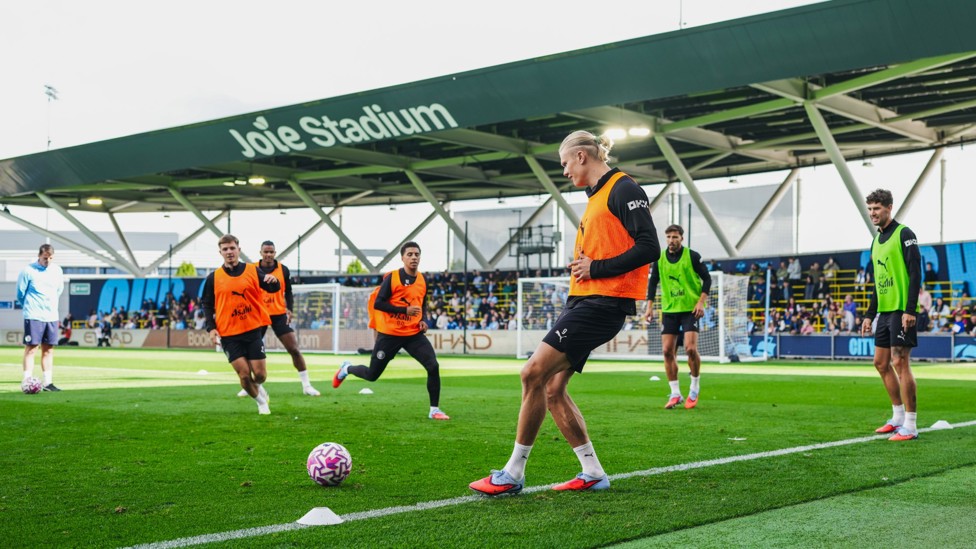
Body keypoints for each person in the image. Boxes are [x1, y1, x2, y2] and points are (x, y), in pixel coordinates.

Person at [469, 130, 659, 496]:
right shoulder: (598, 197)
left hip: (602, 302)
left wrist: (596, 269)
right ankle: (592, 472)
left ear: (582, 157)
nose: (564, 171)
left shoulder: (624, 188)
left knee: (532, 373)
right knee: (553, 389)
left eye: (565, 163)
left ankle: (512, 474)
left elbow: (649, 246)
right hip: (587, 301)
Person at [332, 241, 450, 420]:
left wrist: (423, 320)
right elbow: (379, 303)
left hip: (412, 334)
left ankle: (434, 410)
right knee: (372, 375)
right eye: (409, 254)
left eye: (416, 254)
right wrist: (404, 311)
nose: (413, 257)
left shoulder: (423, 280)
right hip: (390, 335)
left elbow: (422, 303)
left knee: (433, 366)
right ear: (402, 258)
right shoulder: (392, 278)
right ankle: (346, 369)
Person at [860, 189, 921, 442]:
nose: (873, 213)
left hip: (900, 309)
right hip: (884, 311)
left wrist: (910, 309)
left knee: (900, 362)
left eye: (877, 208)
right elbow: (878, 282)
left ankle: (910, 424)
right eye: (870, 208)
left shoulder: (904, 233)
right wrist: (868, 315)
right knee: (880, 363)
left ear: (889, 208)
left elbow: (915, 273)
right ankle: (896, 417)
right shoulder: (876, 242)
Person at [202, 234, 280, 415]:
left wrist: (273, 282)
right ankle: (261, 403)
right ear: (220, 252)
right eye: (225, 249)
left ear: (239, 249)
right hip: (228, 334)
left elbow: (271, 288)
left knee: (260, 375)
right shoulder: (213, 278)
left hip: (253, 329)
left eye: (232, 248)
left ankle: (258, 387)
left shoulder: (253, 270)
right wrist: (211, 328)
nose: (229, 252)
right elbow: (206, 304)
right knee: (244, 375)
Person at [235, 240, 320, 397]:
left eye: (271, 252)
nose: (268, 255)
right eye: (265, 252)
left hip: (279, 314)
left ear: (275, 253)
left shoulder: (283, 270)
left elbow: (288, 291)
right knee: (250, 353)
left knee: (294, 348)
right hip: (258, 315)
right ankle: (249, 384)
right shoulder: (251, 269)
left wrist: (290, 309)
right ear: (260, 253)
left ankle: (307, 385)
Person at [644, 224, 711, 409]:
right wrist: (649, 307)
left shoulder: (693, 256)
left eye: (675, 237)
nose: (671, 240)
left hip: (690, 309)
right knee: (667, 351)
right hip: (669, 310)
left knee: (690, 348)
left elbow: (708, 279)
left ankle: (694, 387)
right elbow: (653, 283)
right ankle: (675, 393)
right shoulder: (659, 259)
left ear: (682, 238)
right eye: (668, 237)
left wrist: (701, 302)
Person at [17, 244, 65, 391]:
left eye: (51, 258)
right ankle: (27, 381)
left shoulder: (57, 270)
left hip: (51, 315)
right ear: (39, 256)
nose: (48, 261)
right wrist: (30, 306)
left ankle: (48, 383)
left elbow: (59, 290)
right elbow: (20, 294)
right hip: (34, 315)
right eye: (45, 258)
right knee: (31, 348)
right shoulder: (28, 271)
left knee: (49, 349)